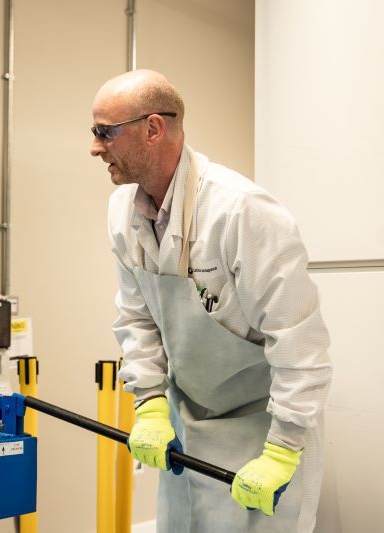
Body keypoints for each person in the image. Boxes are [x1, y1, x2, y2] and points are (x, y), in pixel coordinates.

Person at [92, 70, 332, 532]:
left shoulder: (242, 211)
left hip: (264, 432)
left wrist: (282, 451)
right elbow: (137, 318)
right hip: (186, 426)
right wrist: (150, 405)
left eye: (106, 132)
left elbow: (300, 346)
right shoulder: (122, 211)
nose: (95, 147)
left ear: (153, 128)